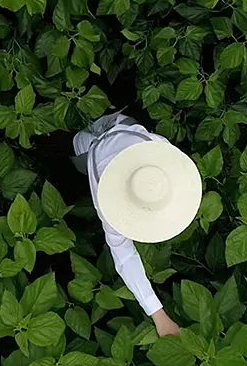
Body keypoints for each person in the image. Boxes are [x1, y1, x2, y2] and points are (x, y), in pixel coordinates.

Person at [72, 112, 203, 337]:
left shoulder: (160, 153)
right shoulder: (106, 198)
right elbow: (123, 256)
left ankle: (85, 111)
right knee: (78, 139)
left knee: (91, 116)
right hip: (91, 146)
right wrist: (159, 316)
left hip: (122, 125)